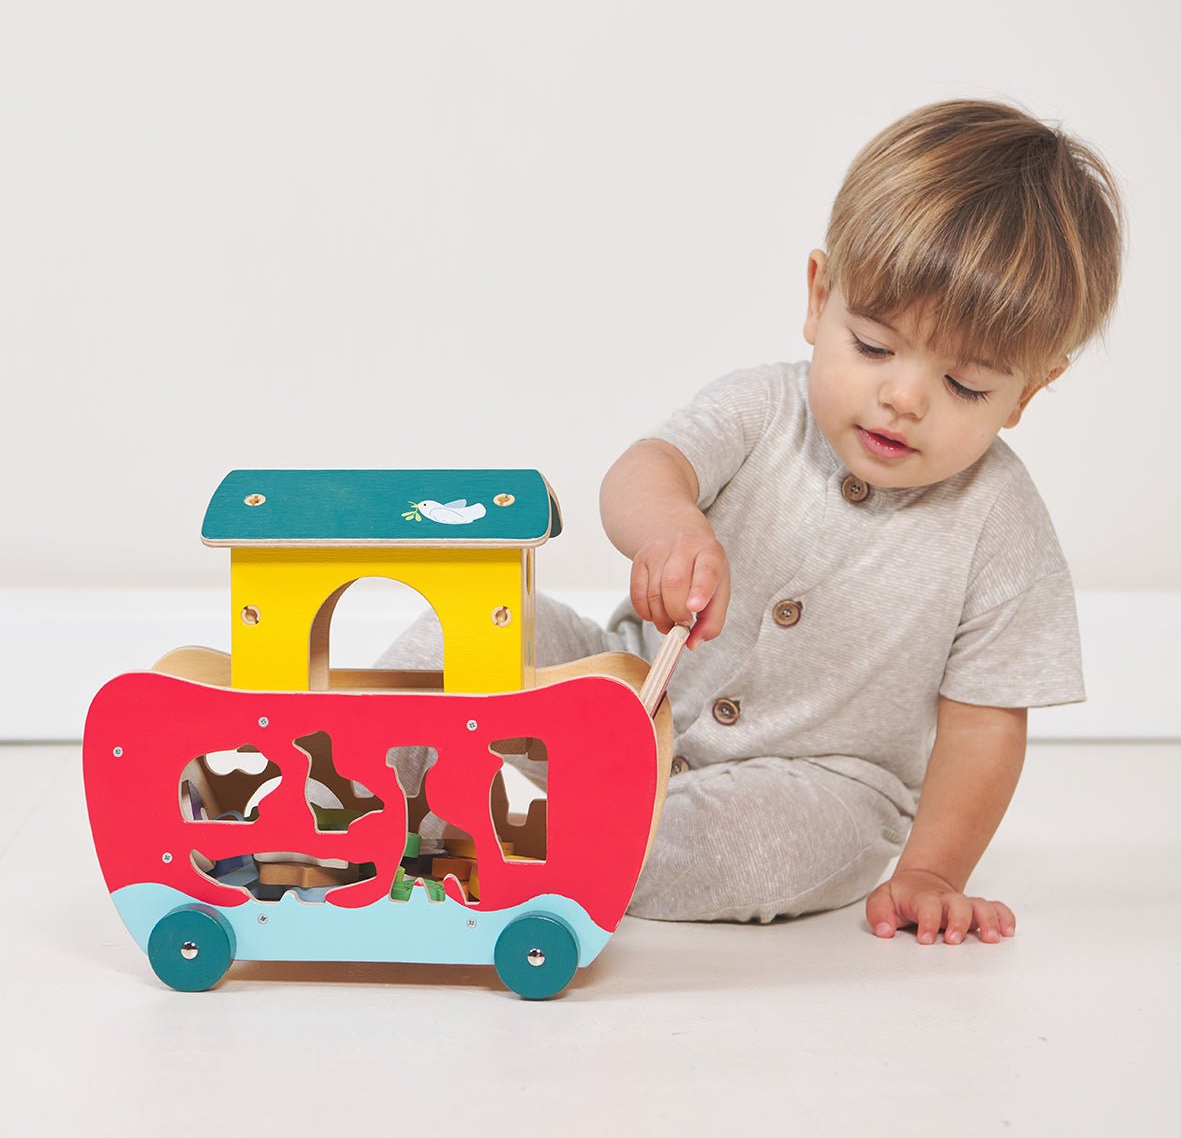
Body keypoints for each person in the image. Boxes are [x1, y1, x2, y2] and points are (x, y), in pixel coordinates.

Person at [381, 99, 1124, 944]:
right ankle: (364, 789)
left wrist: (931, 871)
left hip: (815, 777)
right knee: (478, 628)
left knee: (766, 849)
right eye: (874, 347)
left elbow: (985, 720)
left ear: (1026, 393)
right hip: (621, 686)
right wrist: (671, 527)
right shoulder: (762, 407)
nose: (904, 397)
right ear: (818, 298)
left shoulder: (1001, 524)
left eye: (965, 386)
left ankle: (511, 841)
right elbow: (643, 470)